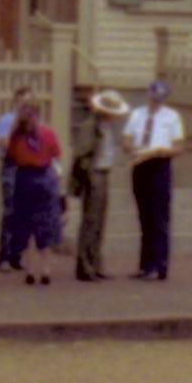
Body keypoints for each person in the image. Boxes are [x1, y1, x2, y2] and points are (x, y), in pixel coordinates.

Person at [126, 76, 185, 280]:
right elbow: (126, 139)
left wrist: (160, 152)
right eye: (153, 97)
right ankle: (145, 264)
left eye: (159, 99)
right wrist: (136, 149)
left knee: (159, 216)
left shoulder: (172, 116)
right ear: (148, 94)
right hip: (140, 163)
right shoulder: (137, 115)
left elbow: (178, 146)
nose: (155, 102)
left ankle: (161, 263)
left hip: (159, 165)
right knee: (144, 216)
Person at [5, 93, 66, 286]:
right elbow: (56, 154)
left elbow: (12, 156)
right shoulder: (48, 133)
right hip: (45, 178)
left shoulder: (16, 136)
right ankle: (46, 269)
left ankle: (30, 269)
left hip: (24, 178)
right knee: (45, 223)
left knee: (26, 223)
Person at [69, 85, 127, 281]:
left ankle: (95, 262)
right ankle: (84, 266)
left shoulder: (106, 126)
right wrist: (84, 179)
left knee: (100, 221)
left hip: (104, 171)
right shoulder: (90, 125)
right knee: (90, 220)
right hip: (94, 172)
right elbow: (81, 153)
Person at [0, 86, 37, 272]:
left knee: (25, 213)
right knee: (9, 211)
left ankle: (17, 255)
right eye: (23, 102)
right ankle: (4, 256)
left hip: (28, 168)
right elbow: (4, 144)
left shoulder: (34, 122)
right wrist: (15, 124)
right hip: (11, 167)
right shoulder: (6, 120)